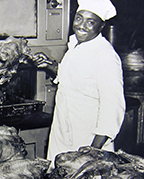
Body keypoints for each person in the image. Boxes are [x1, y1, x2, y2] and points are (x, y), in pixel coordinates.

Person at [33, 0, 125, 168]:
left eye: (91, 22)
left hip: (87, 141)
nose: (82, 26)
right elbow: (74, 77)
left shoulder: (106, 57)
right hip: (62, 133)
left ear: (101, 26)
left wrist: (91, 152)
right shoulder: (76, 46)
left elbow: (112, 109)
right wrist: (50, 65)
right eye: (79, 18)